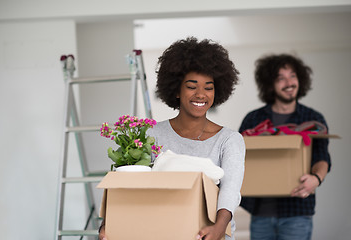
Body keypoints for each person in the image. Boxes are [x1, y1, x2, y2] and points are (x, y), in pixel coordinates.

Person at [98, 37, 245, 240]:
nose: (201, 94)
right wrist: (110, 224)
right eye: (192, 86)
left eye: (208, 87)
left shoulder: (229, 140)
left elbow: (230, 191)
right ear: (177, 90)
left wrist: (219, 228)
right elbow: (131, 183)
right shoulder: (152, 135)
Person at [239, 53, 331, 240]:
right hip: (260, 214)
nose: (288, 82)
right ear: (270, 85)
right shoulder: (254, 119)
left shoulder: (313, 120)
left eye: (292, 76)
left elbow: (322, 157)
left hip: (296, 212)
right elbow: (238, 157)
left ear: (300, 79)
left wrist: (316, 179)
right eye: (280, 78)